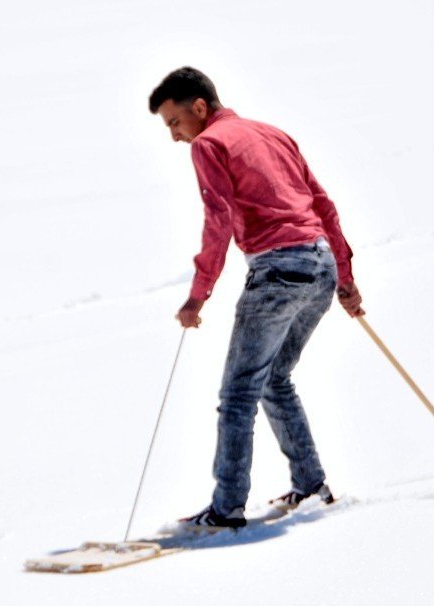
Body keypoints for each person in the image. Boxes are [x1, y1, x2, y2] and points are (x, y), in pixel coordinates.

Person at [149, 67, 364, 529]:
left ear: (199, 107)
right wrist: (343, 278)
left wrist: (197, 295)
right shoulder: (273, 133)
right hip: (319, 265)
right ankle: (309, 484)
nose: (174, 136)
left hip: (279, 271)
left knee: (239, 391)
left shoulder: (210, 144)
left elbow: (219, 218)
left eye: (174, 123)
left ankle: (226, 509)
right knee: (274, 378)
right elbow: (322, 204)